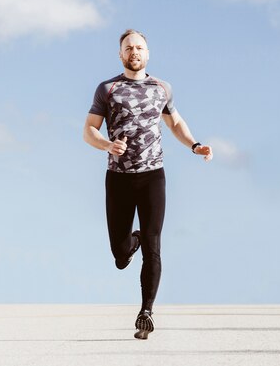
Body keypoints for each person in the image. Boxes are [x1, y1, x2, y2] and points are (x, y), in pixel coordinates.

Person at [83, 29, 213, 339]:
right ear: (121, 55)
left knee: (153, 247)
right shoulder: (108, 89)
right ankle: (133, 240)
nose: (134, 52)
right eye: (128, 48)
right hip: (118, 178)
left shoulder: (161, 88)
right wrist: (107, 146)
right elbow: (89, 129)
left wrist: (195, 146)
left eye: (139, 47)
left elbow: (175, 123)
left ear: (148, 53)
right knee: (119, 253)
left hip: (153, 175)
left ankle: (146, 312)